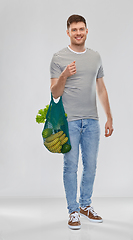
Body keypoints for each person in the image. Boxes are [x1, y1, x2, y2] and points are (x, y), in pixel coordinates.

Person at [50, 14, 113, 230]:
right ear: (68, 32)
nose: (78, 33)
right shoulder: (59, 57)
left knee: (91, 166)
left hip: (92, 121)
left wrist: (109, 117)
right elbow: (55, 93)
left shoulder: (95, 57)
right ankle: (73, 210)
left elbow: (101, 88)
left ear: (87, 31)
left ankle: (86, 205)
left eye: (82, 29)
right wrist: (65, 75)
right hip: (70, 122)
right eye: (74, 29)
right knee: (70, 166)